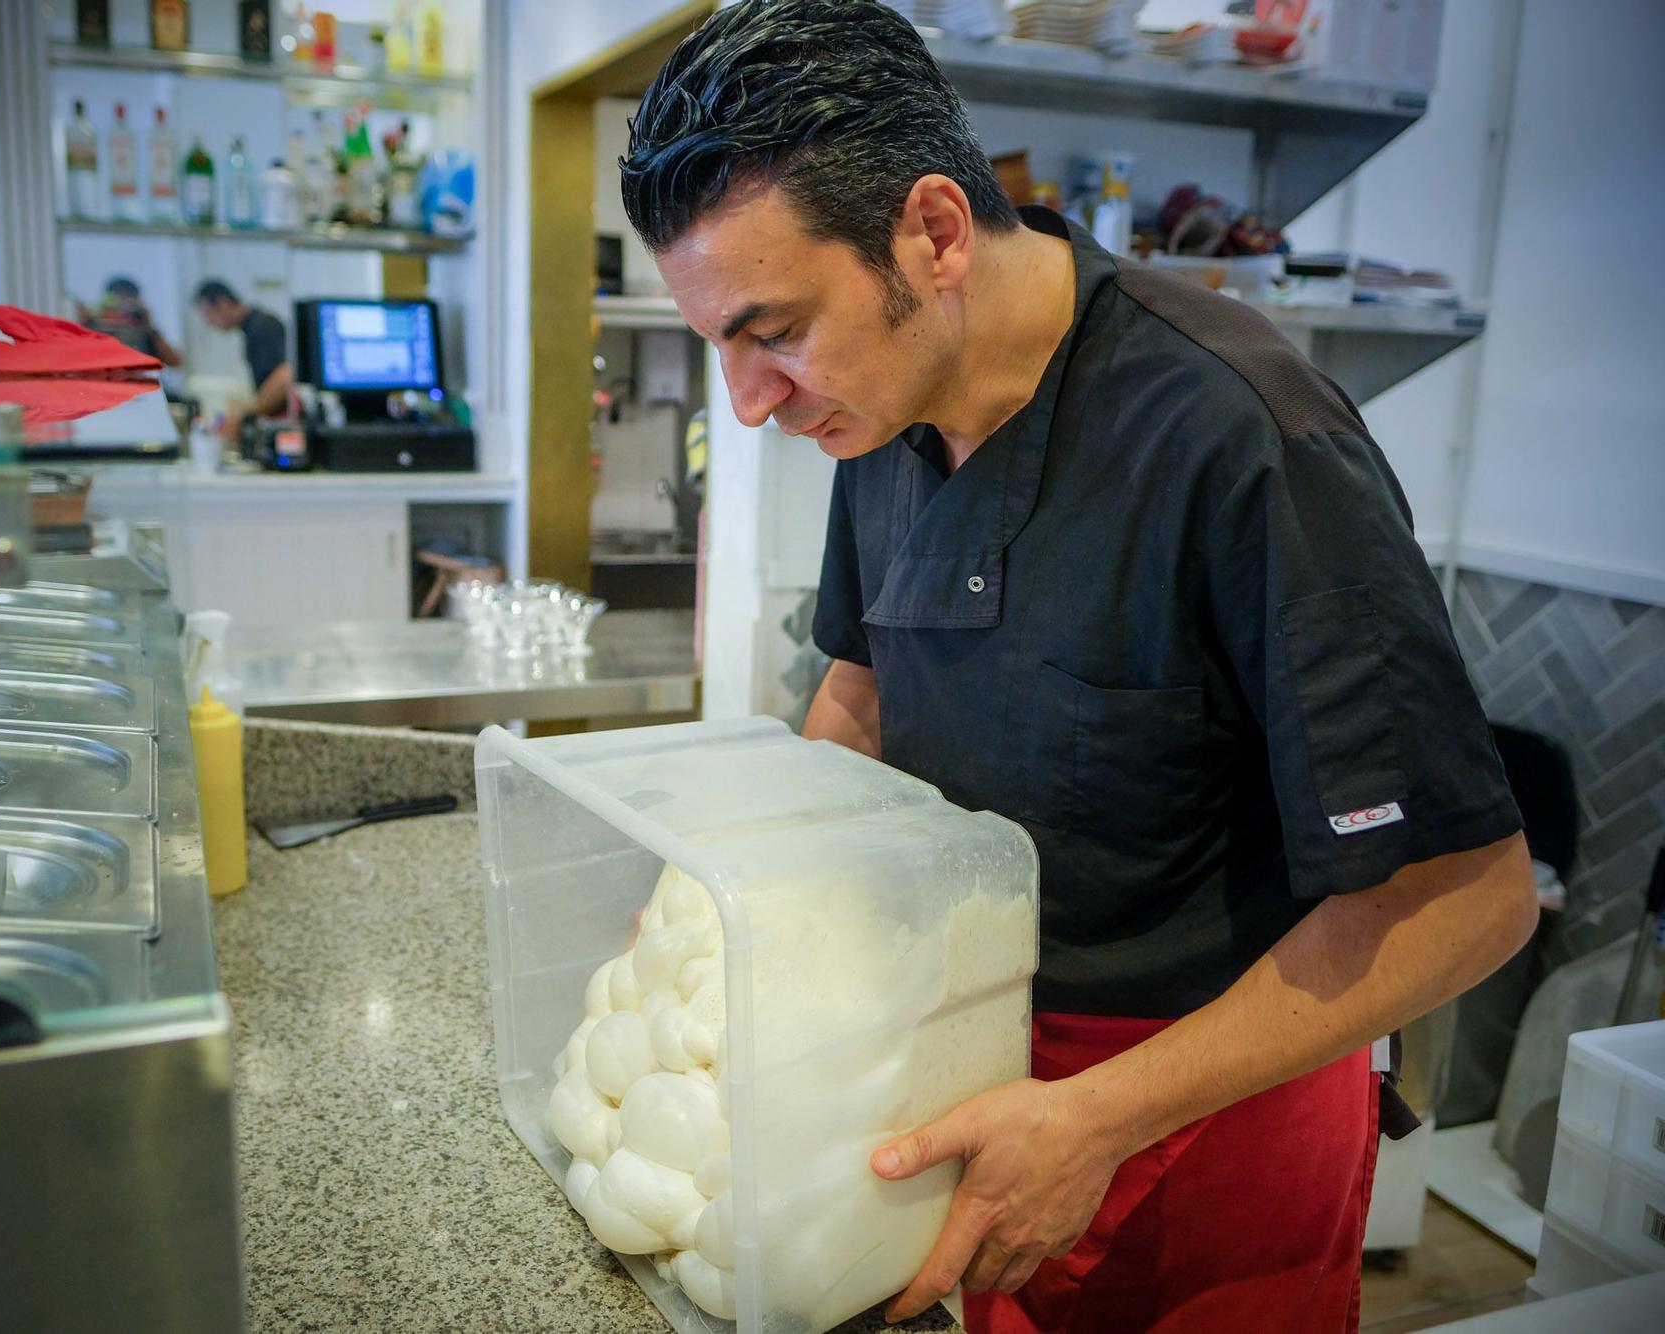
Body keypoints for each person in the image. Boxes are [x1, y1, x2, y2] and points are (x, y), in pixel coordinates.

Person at [620, 3, 1537, 1331]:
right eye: (721, 343)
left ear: (932, 234)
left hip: (1207, 1123)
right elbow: (860, 701)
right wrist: (732, 905)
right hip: (977, 1078)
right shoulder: (879, 409)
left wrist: (1097, 1117)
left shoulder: (1243, 436)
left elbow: (1473, 898)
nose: (749, 400)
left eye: (773, 330)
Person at [194, 279, 292, 422]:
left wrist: (246, 416)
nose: (209, 323)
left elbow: (284, 375)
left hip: (284, 417)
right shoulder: (251, 328)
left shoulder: (262, 326)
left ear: (223, 303)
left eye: (208, 315)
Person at [81, 275, 181, 367]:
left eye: (129, 305)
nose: (122, 313)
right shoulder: (95, 326)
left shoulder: (143, 330)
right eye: (118, 304)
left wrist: (149, 328)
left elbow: (175, 362)